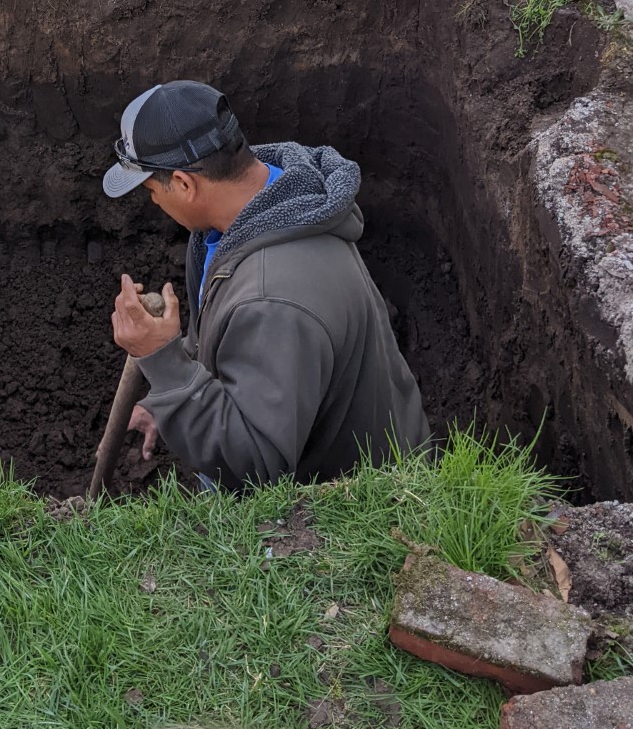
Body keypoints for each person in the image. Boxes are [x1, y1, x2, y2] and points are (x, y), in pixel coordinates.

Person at [102, 81, 430, 492]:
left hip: (354, 508)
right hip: (351, 442)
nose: (153, 202)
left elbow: (255, 468)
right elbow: (237, 342)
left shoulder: (270, 299)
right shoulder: (270, 205)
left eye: (151, 190)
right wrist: (172, 394)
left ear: (185, 185)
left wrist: (165, 364)